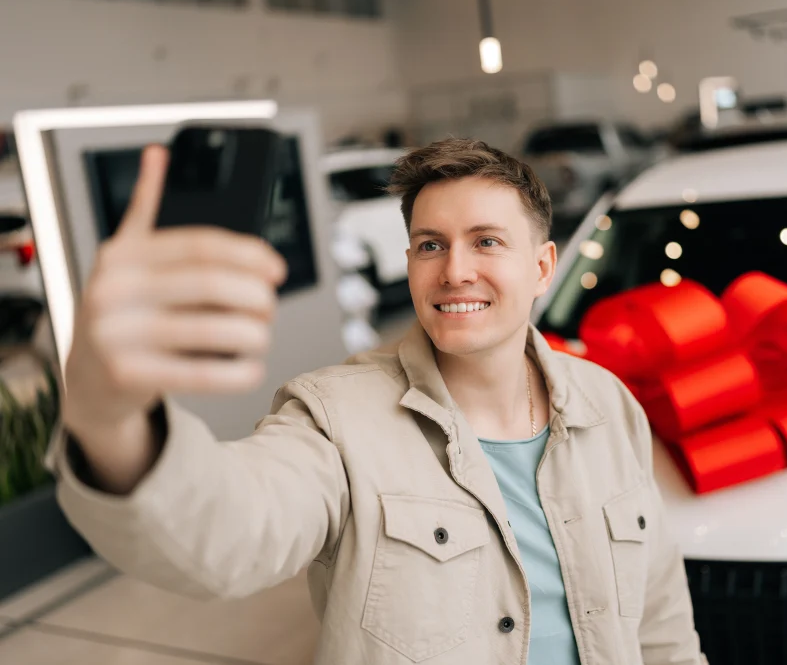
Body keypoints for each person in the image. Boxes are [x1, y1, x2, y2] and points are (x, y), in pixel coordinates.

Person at [49, 137, 706, 665]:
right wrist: (111, 411)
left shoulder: (609, 405)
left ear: (542, 267)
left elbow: (661, 624)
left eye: (486, 240)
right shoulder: (336, 420)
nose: (454, 270)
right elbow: (227, 533)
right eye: (430, 245)